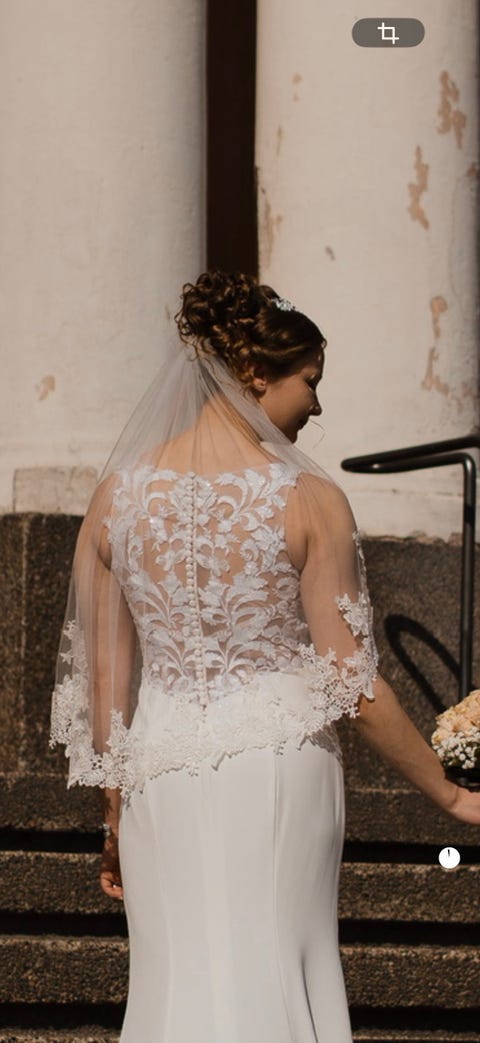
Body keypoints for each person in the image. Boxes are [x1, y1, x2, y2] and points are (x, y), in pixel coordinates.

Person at [50, 270, 480, 1043]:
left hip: (158, 780)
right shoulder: (307, 498)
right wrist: (450, 797)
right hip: (278, 767)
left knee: (179, 983)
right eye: (310, 380)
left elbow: (107, 685)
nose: (316, 404)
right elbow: (351, 683)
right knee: (274, 970)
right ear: (255, 372)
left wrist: (113, 815)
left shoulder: (115, 500)